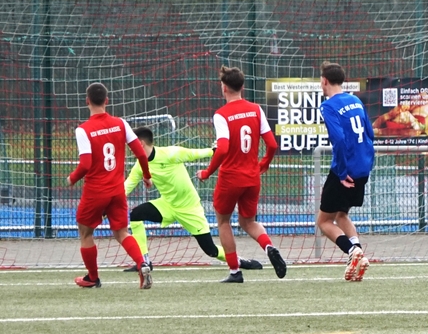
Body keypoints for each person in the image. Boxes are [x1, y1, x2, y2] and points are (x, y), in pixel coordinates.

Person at [123, 127, 262, 271]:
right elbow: (127, 186)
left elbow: (192, 154)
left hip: (190, 208)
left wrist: (213, 151)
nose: (130, 150)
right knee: (136, 215)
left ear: (140, 143)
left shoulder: (170, 153)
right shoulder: (140, 166)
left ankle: (240, 261)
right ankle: (144, 262)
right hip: (167, 205)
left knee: (211, 250)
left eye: (131, 145)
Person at [197, 66, 287, 283]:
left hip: (230, 177)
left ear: (224, 88)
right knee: (248, 222)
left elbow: (223, 149)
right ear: (242, 87)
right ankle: (269, 247)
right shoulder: (256, 109)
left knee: (223, 222)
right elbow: (272, 144)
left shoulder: (221, 114)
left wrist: (207, 172)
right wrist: (264, 162)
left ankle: (235, 272)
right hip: (252, 176)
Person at [68, 82, 153, 289]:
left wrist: (72, 178)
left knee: (86, 233)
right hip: (117, 190)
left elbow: (86, 164)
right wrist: (146, 176)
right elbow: (141, 153)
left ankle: (92, 278)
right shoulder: (121, 124)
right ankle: (142, 264)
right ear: (107, 101)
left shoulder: (83, 130)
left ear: (87, 101)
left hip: (95, 191)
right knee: (122, 232)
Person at [317, 61, 375, 282]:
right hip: (362, 168)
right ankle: (359, 254)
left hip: (345, 171)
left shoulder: (328, 106)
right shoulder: (356, 101)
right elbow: (370, 134)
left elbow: (339, 140)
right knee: (342, 214)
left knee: (324, 222)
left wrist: (342, 173)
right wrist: (366, 163)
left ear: (324, 81)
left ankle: (352, 251)